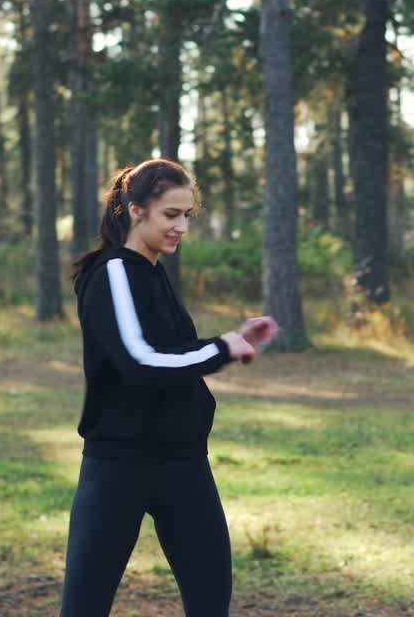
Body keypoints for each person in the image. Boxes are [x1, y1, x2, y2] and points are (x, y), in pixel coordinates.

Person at [60, 158, 279, 617]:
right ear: (136, 210)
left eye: (187, 215)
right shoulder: (115, 271)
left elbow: (169, 353)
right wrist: (222, 347)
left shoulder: (153, 272)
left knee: (210, 602)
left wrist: (231, 344)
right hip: (118, 469)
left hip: (182, 465)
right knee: (84, 608)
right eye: (170, 214)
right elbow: (141, 360)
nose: (181, 226)